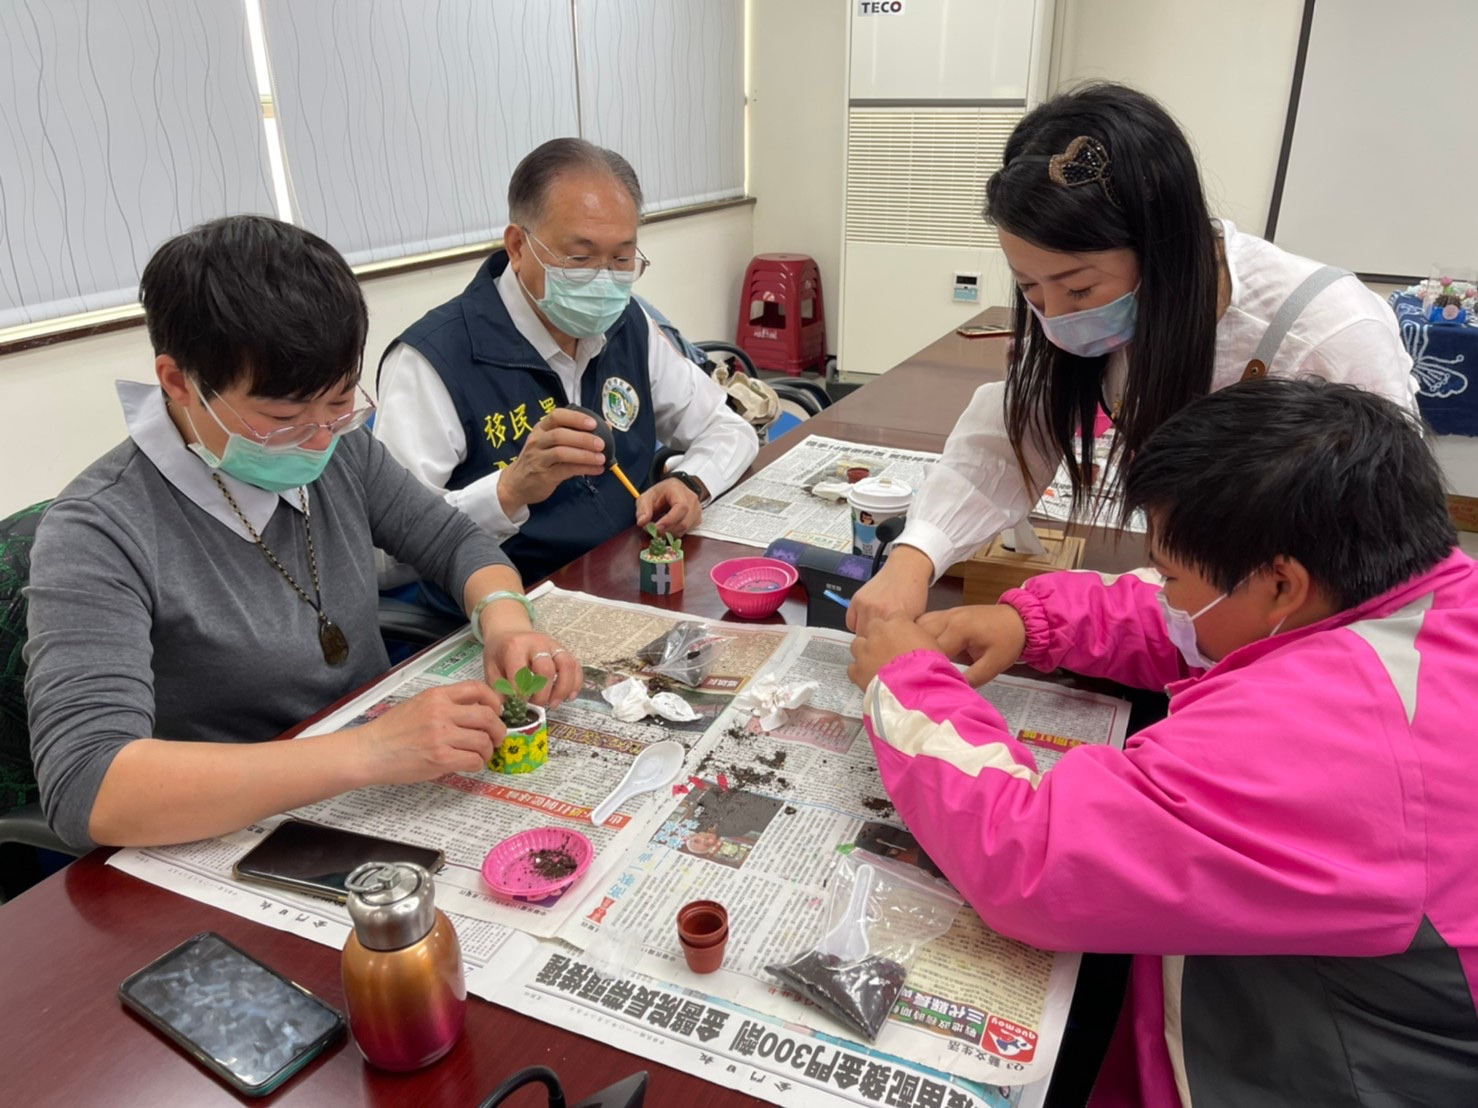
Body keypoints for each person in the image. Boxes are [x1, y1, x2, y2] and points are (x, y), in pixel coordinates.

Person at [847, 378, 1478, 1104]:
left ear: (1280, 584)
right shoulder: (1413, 595)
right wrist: (1034, 623)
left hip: (1316, 1066)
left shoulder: (1336, 737)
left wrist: (905, 683)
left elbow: (1033, 860)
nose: (1166, 592)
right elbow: (1202, 623)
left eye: (1175, 574)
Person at [25, 216, 582, 852]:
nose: (320, 438)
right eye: (282, 418)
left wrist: (506, 620)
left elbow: (456, 542)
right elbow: (89, 786)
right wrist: (367, 751)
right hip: (228, 835)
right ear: (178, 382)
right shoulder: (98, 530)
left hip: (380, 785)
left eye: (341, 402)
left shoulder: (339, 451)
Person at [849, 82, 1416, 630]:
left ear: (1163, 246)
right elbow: (1014, 435)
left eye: (1078, 289)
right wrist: (913, 557)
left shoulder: (1328, 329)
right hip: (1189, 609)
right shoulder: (1094, 317)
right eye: (1029, 288)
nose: (1056, 316)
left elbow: (1383, 537)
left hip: (1295, 625)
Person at [375, 138, 759, 583]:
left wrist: (691, 482)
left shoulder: (627, 324)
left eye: (621, 258)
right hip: (509, 604)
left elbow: (727, 427)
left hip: (626, 575)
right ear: (518, 246)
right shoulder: (433, 360)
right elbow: (386, 551)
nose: (604, 280)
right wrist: (507, 492)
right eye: (579, 258)